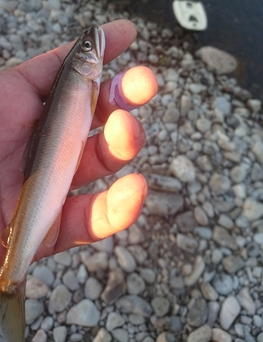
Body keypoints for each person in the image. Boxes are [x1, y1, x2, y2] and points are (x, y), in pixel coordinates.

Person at [0, 19, 158, 264]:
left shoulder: (84, 77)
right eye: (87, 47)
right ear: (80, 65)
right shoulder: (82, 78)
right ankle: (12, 279)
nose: (92, 45)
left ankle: (13, 273)